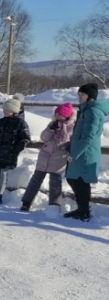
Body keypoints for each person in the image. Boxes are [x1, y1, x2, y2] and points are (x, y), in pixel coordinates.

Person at [65, 83, 109, 221]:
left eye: (82, 94)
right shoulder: (86, 110)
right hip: (81, 150)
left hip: (85, 152)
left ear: (90, 97)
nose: (79, 97)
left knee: (79, 180)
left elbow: (88, 136)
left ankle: (83, 211)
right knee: (75, 178)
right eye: (78, 94)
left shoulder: (93, 112)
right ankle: (82, 209)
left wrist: (74, 153)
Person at [20, 103, 75, 211]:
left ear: (66, 116)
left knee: (55, 182)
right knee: (35, 180)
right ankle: (26, 202)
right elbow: (43, 138)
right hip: (45, 156)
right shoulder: (52, 124)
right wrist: (50, 129)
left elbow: (64, 140)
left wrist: (60, 130)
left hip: (59, 158)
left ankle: (54, 205)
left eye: (60, 115)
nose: (58, 116)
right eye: (57, 114)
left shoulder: (71, 127)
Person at [0, 98, 30, 206]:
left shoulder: (20, 123)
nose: (4, 111)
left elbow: (25, 139)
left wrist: (15, 150)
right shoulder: (0, 122)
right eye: (4, 109)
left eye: (7, 109)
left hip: (9, 153)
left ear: (13, 110)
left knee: (4, 174)